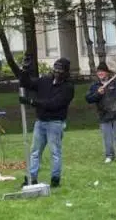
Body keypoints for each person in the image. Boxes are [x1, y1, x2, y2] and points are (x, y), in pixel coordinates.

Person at [18, 56, 75, 188]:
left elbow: (54, 104)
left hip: (55, 123)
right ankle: (32, 178)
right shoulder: (45, 80)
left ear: (66, 72)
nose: (57, 72)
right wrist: (25, 70)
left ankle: (55, 179)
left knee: (55, 152)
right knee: (35, 151)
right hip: (41, 122)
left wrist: (32, 102)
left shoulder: (68, 87)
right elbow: (27, 83)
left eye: (60, 70)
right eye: (55, 69)